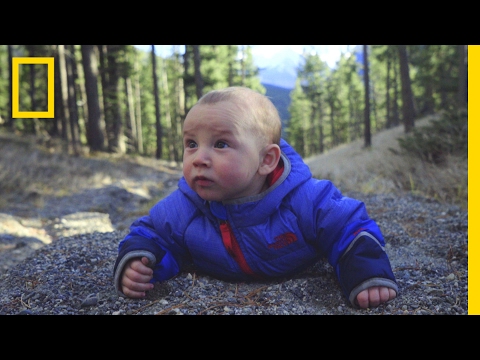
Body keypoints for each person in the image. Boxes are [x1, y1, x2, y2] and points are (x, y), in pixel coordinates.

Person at [113, 86, 398, 309]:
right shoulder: (186, 207)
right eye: (191, 144)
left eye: (221, 144)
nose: (199, 158)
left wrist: (366, 274)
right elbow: (150, 234)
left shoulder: (305, 200)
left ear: (266, 160)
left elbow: (350, 227)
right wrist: (138, 263)